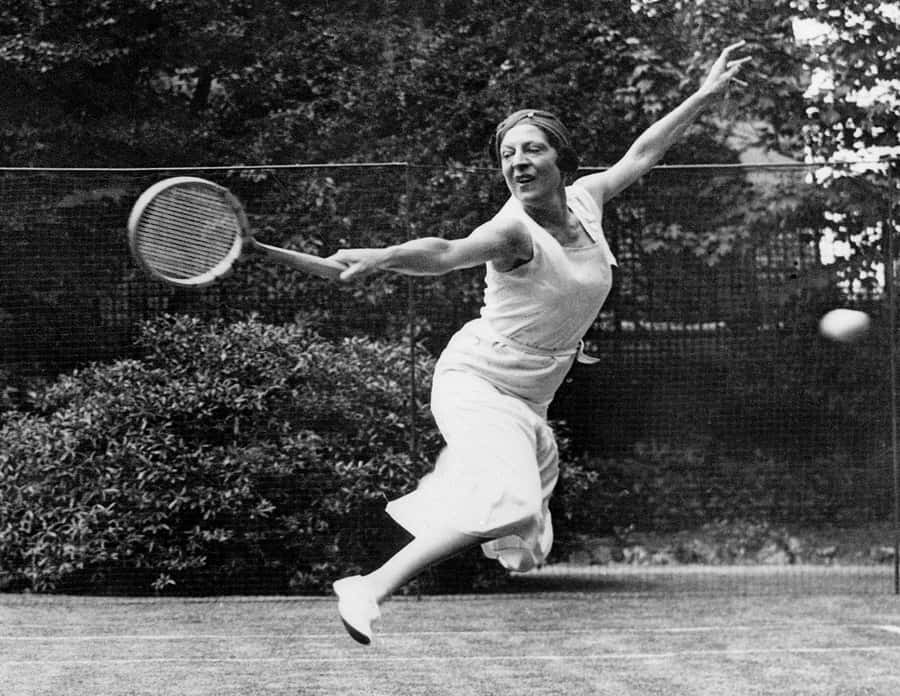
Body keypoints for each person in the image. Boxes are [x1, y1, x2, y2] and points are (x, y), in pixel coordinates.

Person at [326, 41, 750, 645]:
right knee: (515, 504)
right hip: (477, 381)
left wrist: (705, 97)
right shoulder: (511, 231)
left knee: (525, 541)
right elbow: (445, 254)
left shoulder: (588, 200)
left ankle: (482, 500)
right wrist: (385, 257)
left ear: (562, 161)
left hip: (531, 399)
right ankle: (367, 586)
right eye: (507, 154)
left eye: (532, 149)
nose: (518, 161)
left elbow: (647, 150)